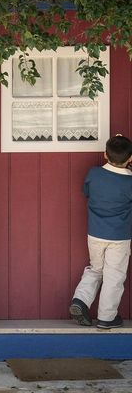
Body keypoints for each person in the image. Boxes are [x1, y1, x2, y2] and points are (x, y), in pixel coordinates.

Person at [69, 134, 132, 329]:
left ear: (105, 154)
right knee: (114, 275)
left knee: (95, 269)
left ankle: (80, 300)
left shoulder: (94, 174)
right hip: (119, 237)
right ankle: (106, 316)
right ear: (130, 159)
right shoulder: (129, 183)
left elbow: (87, 192)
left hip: (95, 234)